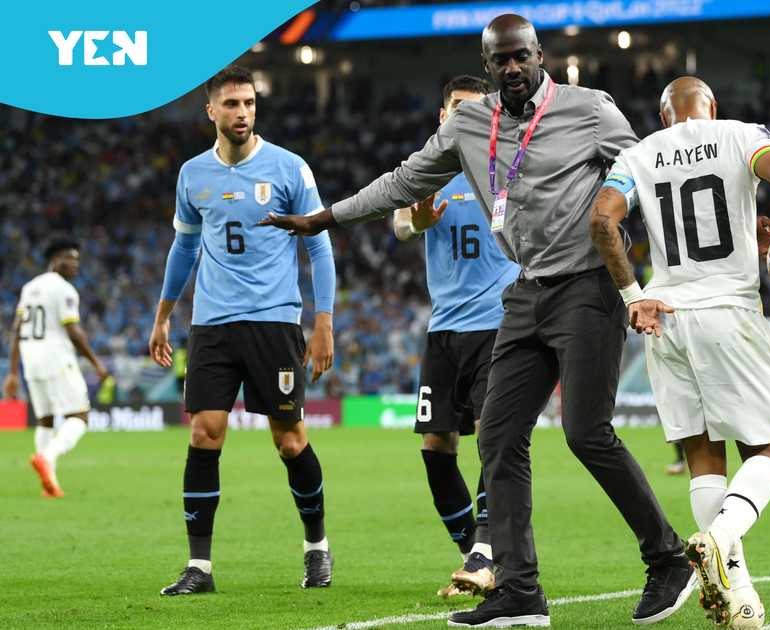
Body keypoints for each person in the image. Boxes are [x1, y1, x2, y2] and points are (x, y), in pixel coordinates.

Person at [263, 14, 697, 628]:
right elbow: (406, 180)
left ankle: (667, 558)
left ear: (540, 56)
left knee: (585, 432)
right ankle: (521, 591)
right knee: (496, 436)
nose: (513, 68)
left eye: (522, 56)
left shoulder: (590, 109)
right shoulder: (470, 122)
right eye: (501, 60)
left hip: (586, 286)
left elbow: (649, 180)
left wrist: (665, 267)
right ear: (489, 65)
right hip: (524, 294)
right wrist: (325, 218)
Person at [589, 76, 770, 629]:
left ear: (664, 117)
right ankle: (721, 537)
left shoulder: (638, 154)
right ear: (713, 107)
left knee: (703, 460)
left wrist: (634, 296)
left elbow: (602, 220)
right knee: (767, 452)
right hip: (729, 313)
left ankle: (741, 599)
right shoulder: (740, 135)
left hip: (667, 318)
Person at [150, 65, 337, 596]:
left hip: (275, 322)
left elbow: (318, 244)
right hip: (211, 324)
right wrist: (163, 315)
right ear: (211, 110)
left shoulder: (289, 168)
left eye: (250, 103)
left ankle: (316, 548)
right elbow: (184, 248)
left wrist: (322, 321)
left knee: (289, 441)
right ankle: (199, 567)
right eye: (232, 104)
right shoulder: (193, 175)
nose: (243, 113)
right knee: (204, 433)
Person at [391, 75, 519, 599]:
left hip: (497, 323)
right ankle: (477, 551)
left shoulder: (505, 167)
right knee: (436, 446)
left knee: (493, 440)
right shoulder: (425, 169)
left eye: (476, 108)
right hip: (444, 329)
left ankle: (487, 552)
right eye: (457, 108)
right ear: (443, 115)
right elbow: (399, 226)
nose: (465, 116)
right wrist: (417, 221)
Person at [4, 238, 110, 498]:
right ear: (54, 260)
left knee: (46, 419)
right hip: (57, 358)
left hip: (32, 360)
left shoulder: (29, 287)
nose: (74, 264)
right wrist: (96, 363)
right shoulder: (64, 290)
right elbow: (73, 331)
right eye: (68, 258)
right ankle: (47, 457)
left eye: (76, 259)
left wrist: (13, 371)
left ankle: (48, 483)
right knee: (80, 416)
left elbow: (17, 331)